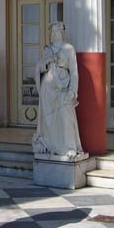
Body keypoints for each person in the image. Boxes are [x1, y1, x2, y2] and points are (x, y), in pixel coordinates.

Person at [33, 22, 83, 158]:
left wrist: (73, 90)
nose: (53, 35)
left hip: (63, 86)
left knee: (66, 117)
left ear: (62, 33)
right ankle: (50, 146)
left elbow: (74, 72)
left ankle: (69, 147)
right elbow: (41, 67)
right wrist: (48, 60)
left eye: (56, 32)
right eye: (52, 32)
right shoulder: (47, 49)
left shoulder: (69, 49)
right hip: (47, 88)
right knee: (48, 119)